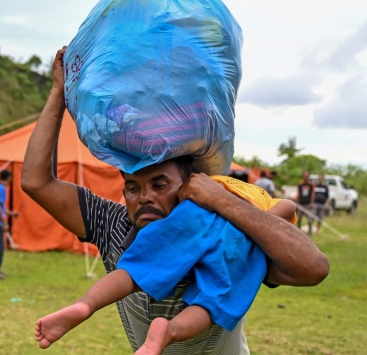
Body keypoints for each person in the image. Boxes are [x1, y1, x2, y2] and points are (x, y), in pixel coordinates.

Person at [22, 47, 329, 353]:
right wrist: (58, 94)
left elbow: (314, 268)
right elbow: (37, 182)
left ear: (190, 186)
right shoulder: (112, 225)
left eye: (160, 184)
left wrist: (223, 202)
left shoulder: (231, 230)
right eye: (132, 187)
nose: (145, 197)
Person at [35, 172, 296, 353]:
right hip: (240, 236)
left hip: (196, 213)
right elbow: (287, 208)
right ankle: (169, 331)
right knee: (212, 305)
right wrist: (255, 219)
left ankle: (85, 305)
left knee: (135, 271)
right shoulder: (263, 198)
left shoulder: (210, 181)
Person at [296, 171, 316, 237]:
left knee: (309, 219)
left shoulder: (311, 185)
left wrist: (311, 203)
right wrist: (297, 202)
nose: (306, 177)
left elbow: (313, 194)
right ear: (303, 176)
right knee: (299, 219)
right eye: (305, 176)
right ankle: (298, 232)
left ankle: (310, 232)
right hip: (301, 204)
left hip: (308, 204)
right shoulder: (300, 184)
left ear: (308, 176)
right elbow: (298, 193)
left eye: (307, 176)